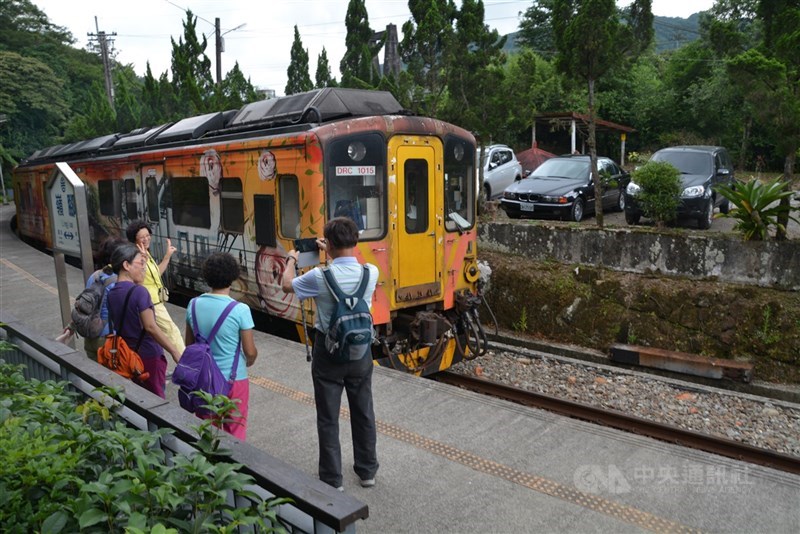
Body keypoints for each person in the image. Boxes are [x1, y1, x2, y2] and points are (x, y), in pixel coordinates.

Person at [281, 217, 380, 491]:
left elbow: (286, 285)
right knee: (364, 411)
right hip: (361, 353)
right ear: (356, 242)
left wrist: (291, 260)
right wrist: (333, 251)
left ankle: (332, 480)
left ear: (330, 243)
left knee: (328, 417)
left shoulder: (319, 277)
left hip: (328, 352)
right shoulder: (371, 272)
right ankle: (367, 471)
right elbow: (347, 265)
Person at [185, 252, 258, 440]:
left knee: (208, 428)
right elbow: (250, 351)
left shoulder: (193, 305)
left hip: (203, 379)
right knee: (235, 431)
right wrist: (249, 360)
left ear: (207, 276)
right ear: (233, 277)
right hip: (234, 379)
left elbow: (189, 345)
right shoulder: (240, 310)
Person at [106, 243, 182, 398]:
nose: (144, 268)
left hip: (127, 355)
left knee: (137, 398)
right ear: (126, 265)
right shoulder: (140, 292)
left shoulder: (112, 292)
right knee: (156, 400)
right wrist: (174, 350)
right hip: (148, 356)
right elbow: (150, 327)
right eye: (141, 263)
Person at [125, 220, 186, 355]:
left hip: (155, 301)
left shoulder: (145, 253)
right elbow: (137, 279)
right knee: (172, 332)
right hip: (150, 302)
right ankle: (187, 364)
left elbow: (155, 274)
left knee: (157, 336)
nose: (146, 239)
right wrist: (143, 261)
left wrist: (167, 257)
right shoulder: (136, 256)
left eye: (148, 235)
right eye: (142, 237)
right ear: (134, 239)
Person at [82, 236, 128, 360]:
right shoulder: (118, 281)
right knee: (112, 377)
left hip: (91, 337)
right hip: (109, 340)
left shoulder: (95, 276)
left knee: (94, 376)